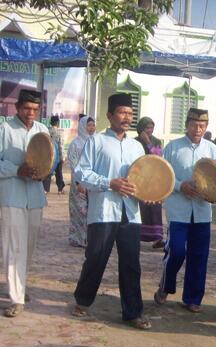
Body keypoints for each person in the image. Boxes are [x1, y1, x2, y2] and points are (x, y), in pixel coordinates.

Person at [71, 93, 150, 330]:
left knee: (131, 263)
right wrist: (109, 183)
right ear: (110, 116)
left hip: (130, 213)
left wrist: (149, 194)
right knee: (96, 257)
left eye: (129, 113)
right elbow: (81, 173)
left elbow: (145, 177)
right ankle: (83, 301)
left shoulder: (137, 146)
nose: (127, 117)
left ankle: (133, 312)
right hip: (104, 210)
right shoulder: (96, 142)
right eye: (121, 112)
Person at [154, 108, 216, 313]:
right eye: (194, 125)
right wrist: (179, 185)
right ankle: (165, 286)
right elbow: (163, 175)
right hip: (178, 210)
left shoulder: (212, 150)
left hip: (202, 210)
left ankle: (193, 298)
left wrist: (213, 192)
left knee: (199, 255)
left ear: (206, 127)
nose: (197, 129)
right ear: (187, 124)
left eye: (202, 126)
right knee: (176, 250)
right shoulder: (173, 148)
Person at [0, 89, 49, 317]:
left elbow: (50, 159)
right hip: (11, 197)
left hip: (35, 198)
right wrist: (15, 170)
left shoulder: (42, 130)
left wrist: (42, 173)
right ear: (18, 107)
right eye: (27, 108)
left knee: (29, 246)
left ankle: (19, 285)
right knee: (14, 248)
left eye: (35, 110)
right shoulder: (4, 129)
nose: (31, 113)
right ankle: (16, 298)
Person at [135, 116, 165, 249]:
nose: (150, 130)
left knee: (155, 208)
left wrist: (148, 142)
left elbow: (158, 156)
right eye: (147, 127)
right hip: (139, 179)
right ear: (141, 128)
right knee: (140, 208)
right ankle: (136, 236)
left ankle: (157, 238)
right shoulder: (134, 142)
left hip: (154, 179)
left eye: (151, 127)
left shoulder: (157, 141)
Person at [67, 116, 96, 248]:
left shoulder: (96, 142)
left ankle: (89, 238)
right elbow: (73, 163)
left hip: (92, 182)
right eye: (89, 125)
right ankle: (78, 237)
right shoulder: (76, 143)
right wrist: (79, 181)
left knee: (91, 210)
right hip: (78, 183)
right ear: (83, 126)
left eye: (93, 125)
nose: (91, 128)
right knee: (79, 210)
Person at [43, 115, 66, 194]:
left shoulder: (47, 131)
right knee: (59, 173)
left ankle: (45, 189)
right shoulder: (60, 132)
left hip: (48, 156)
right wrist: (63, 157)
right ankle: (60, 189)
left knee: (48, 172)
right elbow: (61, 145)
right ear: (58, 123)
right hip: (57, 156)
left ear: (51, 122)